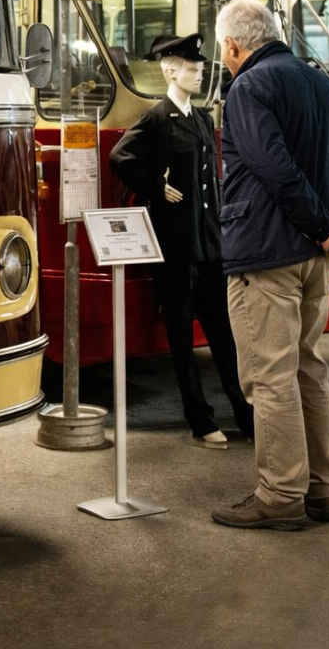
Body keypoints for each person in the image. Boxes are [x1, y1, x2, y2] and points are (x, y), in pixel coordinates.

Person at [209, 0, 329, 531]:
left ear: (233, 45)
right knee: (308, 369)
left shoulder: (249, 87)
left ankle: (281, 494)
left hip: (267, 252)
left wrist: (324, 226)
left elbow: (273, 167)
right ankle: (321, 489)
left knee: (270, 377)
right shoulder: (324, 85)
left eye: (222, 49)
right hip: (314, 259)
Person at [110, 33, 254, 449]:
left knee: (224, 334)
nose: (199, 74)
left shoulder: (203, 119)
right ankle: (199, 418)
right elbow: (120, 157)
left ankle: (246, 415)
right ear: (171, 71)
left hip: (209, 241)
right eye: (192, 68)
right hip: (175, 244)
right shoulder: (157, 118)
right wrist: (155, 187)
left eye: (200, 67)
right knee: (181, 337)